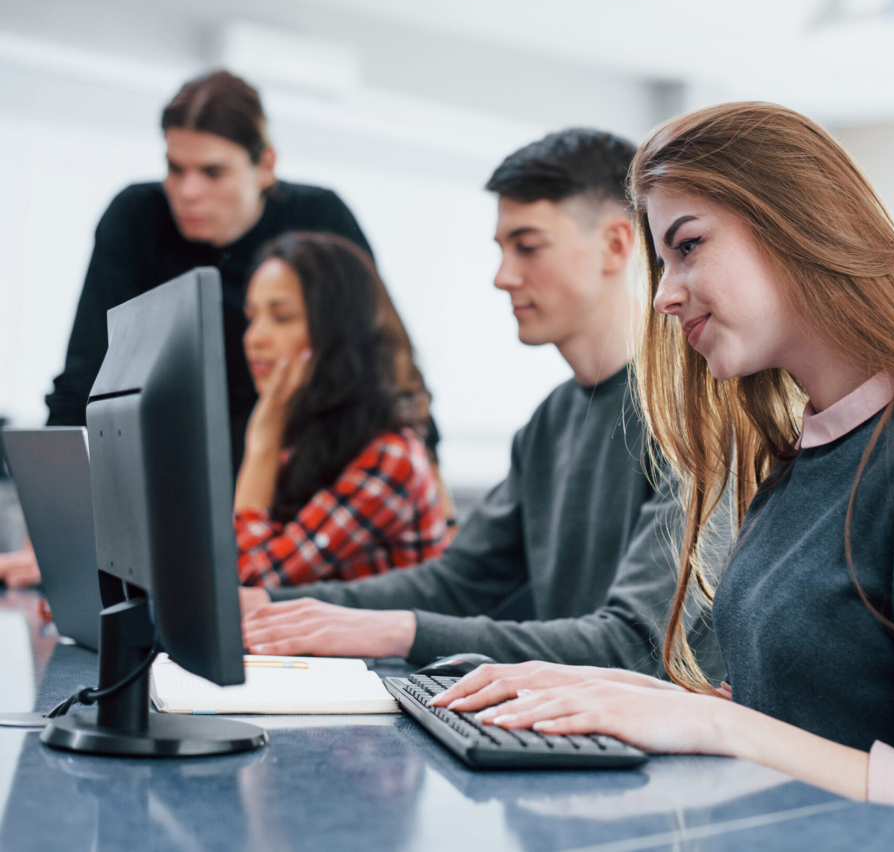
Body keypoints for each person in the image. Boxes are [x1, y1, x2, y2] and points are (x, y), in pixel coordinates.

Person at [429, 102, 894, 809]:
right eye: (662, 261)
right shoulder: (798, 460)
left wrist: (713, 722)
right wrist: (618, 691)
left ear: (796, 224)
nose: (663, 296)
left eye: (688, 247)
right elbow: (796, 721)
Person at [237, 128, 725, 677]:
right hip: (568, 728)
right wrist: (272, 606)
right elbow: (456, 582)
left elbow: (634, 646)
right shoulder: (552, 422)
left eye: (528, 247)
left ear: (616, 244)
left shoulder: (697, 412)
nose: (503, 277)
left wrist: (398, 630)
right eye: (502, 250)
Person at [45, 69, 437, 472]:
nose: (187, 192)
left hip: (297, 467)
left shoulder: (320, 218)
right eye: (175, 169)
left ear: (265, 164)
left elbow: (386, 357)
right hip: (172, 468)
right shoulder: (135, 217)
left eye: (213, 172)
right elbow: (86, 371)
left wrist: (432, 476)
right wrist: (51, 510)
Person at [235, 232, 449, 587]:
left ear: (335, 331)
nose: (254, 338)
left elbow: (255, 579)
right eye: (252, 317)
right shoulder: (307, 441)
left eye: (282, 317)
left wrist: (263, 439)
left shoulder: (390, 457)